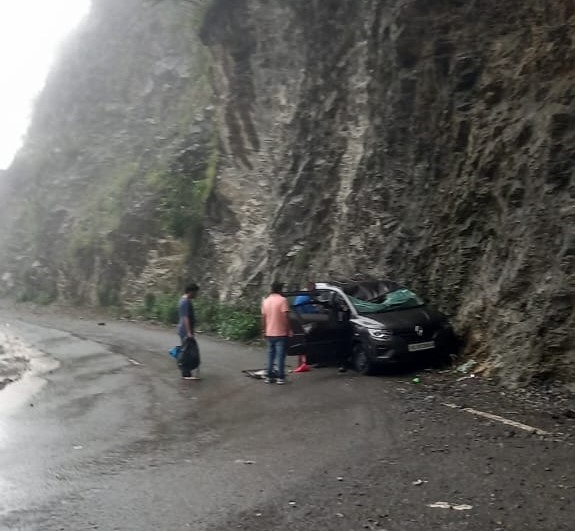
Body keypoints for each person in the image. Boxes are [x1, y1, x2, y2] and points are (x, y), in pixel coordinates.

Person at [261, 281, 291, 385]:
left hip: (269, 333)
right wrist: (289, 330)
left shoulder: (266, 301)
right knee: (280, 356)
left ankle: (269, 377)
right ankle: (280, 377)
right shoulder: (283, 300)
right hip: (281, 333)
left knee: (270, 356)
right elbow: (286, 317)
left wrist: (264, 330)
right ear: (280, 289)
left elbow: (263, 318)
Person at [177, 283, 201, 380]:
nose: (196, 295)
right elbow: (185, 318)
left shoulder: (184, 300)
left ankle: (186, 372)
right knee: (187, 353)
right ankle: (185, 373)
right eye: (195, 292)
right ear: (191, 291)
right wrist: (189, 333)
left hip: (184, 330)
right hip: (185, 331)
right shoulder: (185, 302)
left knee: (187, 352)